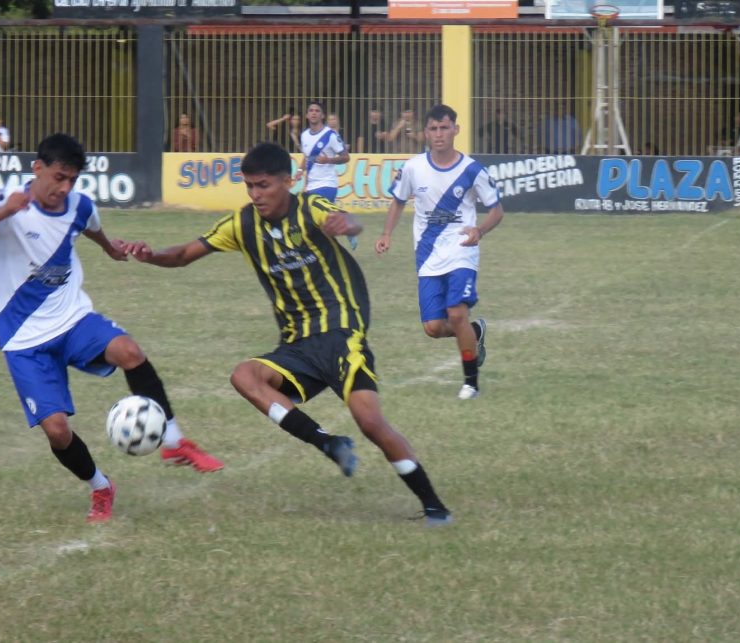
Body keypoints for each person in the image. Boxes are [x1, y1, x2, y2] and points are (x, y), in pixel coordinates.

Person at [121, 141, 454, 526]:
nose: (255, 194)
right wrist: (151, 255)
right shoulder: (242, 224)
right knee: (244, 375)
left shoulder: (311, 208)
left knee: (371, 423)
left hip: (341, 335)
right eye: (249, 186)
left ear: (287, 180)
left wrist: (347, 224)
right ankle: (327, 443)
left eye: (263, 185)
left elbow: (347, 218)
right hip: (296, 346)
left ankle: (434, 507)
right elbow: (183, 254)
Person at [0, 133, 223, 523]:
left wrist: (113, 249)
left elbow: (94, 229)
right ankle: (101, 487)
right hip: (23, 338)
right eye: (58, 177)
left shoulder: (79, 205)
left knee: (129, 352)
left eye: (72, 179)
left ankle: (174, 441)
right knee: (56, 431)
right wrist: (6, 211)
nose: (64, 187)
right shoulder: (10, 199)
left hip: (72, 318)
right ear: (37, 169)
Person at [375, 104, 504, 401]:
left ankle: (471, 383)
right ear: (425, 133)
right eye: (433, 129)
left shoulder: (472, 170)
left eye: (444, 127)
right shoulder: (413, 167)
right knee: (433, 327)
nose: (439, 134)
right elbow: (397, 201)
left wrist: (479, 231)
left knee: (456, 313)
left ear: (456, 129)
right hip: (427, 255)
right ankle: (474, 331)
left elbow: (497, 210)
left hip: (462, 249)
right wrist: (385, 233)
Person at [295, 100, 354, 249]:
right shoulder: (304, 136)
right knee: (317, 221)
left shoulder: (330, 135)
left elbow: (346, 157)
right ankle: (346, 224)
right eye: (311, 110)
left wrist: (329, 159)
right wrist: (301, 171)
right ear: (307, 115)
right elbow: (307, 157)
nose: (314, 113)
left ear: (322, 115)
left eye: (317, 111)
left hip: (327, 183)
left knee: (320, 222)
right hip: (312, 184)